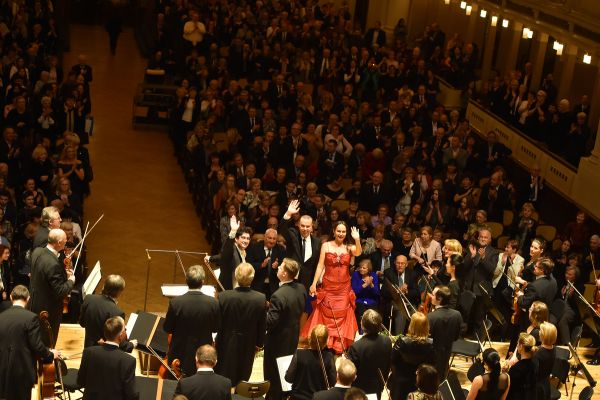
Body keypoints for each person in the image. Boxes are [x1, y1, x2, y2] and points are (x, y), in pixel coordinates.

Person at [302, 221, 362, 354]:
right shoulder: (326, 245)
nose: (341, 234)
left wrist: (357, 239)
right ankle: (325, 343)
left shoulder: (349, 247)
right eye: (338, 231)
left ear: (346, 233)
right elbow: (320, 266)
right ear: (334, 231)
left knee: (342, 315)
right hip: (328, 286)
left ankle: (338, 347)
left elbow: (358, 253)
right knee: (326, 315)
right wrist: (314, 283)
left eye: (343, 231)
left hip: (344, 288)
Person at [0, 285, 60, 400]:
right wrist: (51, 354)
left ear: (11, 297)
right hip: (22, 371)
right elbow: (37, 346)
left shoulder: (1, 317)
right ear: (28, 299)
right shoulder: (31, 318)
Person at [215, 263, 266, 386]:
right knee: (243, 375)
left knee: (223, 373)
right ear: (252, 278)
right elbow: (261, 324)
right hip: (248, 343)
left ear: (236, 277)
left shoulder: (223, 297)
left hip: (225, 341)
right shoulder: (260, 298)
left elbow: (217, 322)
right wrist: (259, 343)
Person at [164, 265, 220, 377]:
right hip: (202, 354)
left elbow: (167, 328)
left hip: (179, 352)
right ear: (203, 282)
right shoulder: (213, 303)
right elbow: (215, 328)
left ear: (186, 281)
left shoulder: (175, 303)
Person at [265, 258, 307, 400]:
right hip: (292, 336)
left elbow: (271, 322)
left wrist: (262, 314)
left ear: (284, 274)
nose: (278, 268)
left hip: (277, 341)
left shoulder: (278, 295)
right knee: (286, 370)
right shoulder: (301, 288)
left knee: (273, 373)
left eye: (281, 267)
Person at [29, 228, 74, 345]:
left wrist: (63, 274)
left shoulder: (38, 251)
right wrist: (70, 280)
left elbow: (45, 275)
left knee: (36, 336)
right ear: (58, 243)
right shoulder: (53, 263)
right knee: (48, 340)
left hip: (35, 301)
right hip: (48, 308)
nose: (66, 242)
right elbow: (60, 291)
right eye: (65, 240)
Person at [77, 316, 138, 400]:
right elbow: (131, 395)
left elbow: (80, 381)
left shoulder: (88, 352)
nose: (125, 332)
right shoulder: (128, 361)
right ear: (120, 336)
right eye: (125, 330)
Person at [79, 274, 137, 351]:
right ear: (119, 292)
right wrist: (131, 345)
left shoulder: (89, 298)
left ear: (104, 286)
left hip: (88, 347)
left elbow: (82, 323)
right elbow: (119, 342)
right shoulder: (117, 312)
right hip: (105, 351)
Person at [390, 312, 435, 400]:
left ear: (412, 325)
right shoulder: (430, 345)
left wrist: (396, 376)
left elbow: (392, 360)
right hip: (420, 383)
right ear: (426, 326)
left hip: (401, 382)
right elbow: (431, 365)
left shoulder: (402, 341)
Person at [347, 310, 391, 398]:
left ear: (362, 325)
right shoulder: (387, 341)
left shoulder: (356, 347)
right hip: (378, 387)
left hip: (359, 392)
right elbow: (387, 367)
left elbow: (350, 375)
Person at [280, 199, 322, 291]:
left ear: (312, 227)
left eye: (308, 226)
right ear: (298, 225)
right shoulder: (293, 234)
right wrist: (288, 213)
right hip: (291, 281)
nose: (305, 229)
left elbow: (316, 264)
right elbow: (282, 229)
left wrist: (314, 283)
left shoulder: (317, 242)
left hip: (307, 284)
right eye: (302, 226)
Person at [463, 228, 499, 337]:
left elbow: (492, 270)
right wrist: (472, 256)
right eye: (481, 237)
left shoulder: (494, 252)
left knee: (479, 317)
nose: (483, 239)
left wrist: (483, 257)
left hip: (482, 290)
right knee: (466, 314)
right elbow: (464, 266)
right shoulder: (472, 248)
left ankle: (477, 339)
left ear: (490, 239)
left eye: (485, 237)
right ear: (478, 238)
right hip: (468, 288)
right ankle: (464, 336)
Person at [285, 324, 336, 400]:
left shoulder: (299, 353)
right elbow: (333, 382)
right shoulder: (329, 357)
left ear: (310, 338)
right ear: (326, 342)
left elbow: (288, 378)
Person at [205, 216, 252, 290]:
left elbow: (222, 256)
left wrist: (210, 258)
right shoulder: (232, 249)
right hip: (228, 290)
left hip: (237, 289)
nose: (246, 241)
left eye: (248, 238)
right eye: (243, 238)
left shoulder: (244, 252)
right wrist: (233, 231)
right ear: (236, 239)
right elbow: (227, 253)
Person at [427, 286, 462, 379]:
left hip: (431, 357)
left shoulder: (431, 317)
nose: (431, 296)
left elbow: (426, 340)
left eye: (433, 295)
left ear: (440, 299)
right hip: (447, 353)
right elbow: (456, 337)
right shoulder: (457, 315)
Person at [381, 254, 419, 335]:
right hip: (394, 302)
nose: (400, 265)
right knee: (401, 312)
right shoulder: (388, 273)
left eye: (402, 263)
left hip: (408, 301)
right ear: (394, 263)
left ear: (406, 264)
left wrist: (407, 292)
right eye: (398, 263)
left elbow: (416, 293)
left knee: (416, 314)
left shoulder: (412, 274)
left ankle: (415, 339)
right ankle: (399, 338)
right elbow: (384, 292)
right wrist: (397, 291)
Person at [247, 228, 286, 297]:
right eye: (269, 238)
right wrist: (261, 265)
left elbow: (285, 267)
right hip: (257, 285)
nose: (272, 241)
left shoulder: (281, 249)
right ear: (264, 237)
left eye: (274, 239)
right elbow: (248, 265)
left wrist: (277, 266)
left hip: (274, 286)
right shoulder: (254, 247)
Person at [506, 333, 537, 400]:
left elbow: (509, 389)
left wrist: (506, 374)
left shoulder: (516, 369)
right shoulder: (535, 363)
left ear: (521, 346)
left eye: (517, 343)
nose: (516, 346)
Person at [351, 259, 380, 327]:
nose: (361, 269)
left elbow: (377, 292)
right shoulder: (356, 275)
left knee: (372, 317)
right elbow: (355, 291)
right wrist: (365, 284)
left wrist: (371, 284)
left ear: (369, 269)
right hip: (359, 300)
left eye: (364, 268)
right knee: (361, 313)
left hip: (371, 301)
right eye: (360, 267)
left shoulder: (373, 276)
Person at [533, 322, 556, 400]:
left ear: (543, 335)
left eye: (540, 330)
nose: (538, 332)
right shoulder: (554, 348)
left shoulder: (538, 353)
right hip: (546, 383)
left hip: (537, 387)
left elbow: (534, 373)